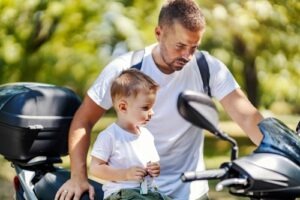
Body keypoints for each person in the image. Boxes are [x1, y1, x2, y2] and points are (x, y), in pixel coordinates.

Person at [55, 0, 264, 199]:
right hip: (136, 193)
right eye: (180, 46)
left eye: (194, 47)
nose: (187, 56)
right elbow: (84, 120)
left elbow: (247, 116)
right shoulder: (124, 70)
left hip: (192, 191)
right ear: (158, 33)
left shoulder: (208, 68)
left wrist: (283, 152)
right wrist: (78, 177)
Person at [89, 69, 171, 200]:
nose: (152, 112)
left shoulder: (146, 135)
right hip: (121, 194)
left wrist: (155, 168)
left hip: (148, 192)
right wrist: (125, 174)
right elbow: (95, 168)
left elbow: (153, 161)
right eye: (146, 108)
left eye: (152, 107)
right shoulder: (110, 136)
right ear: (123, 107)